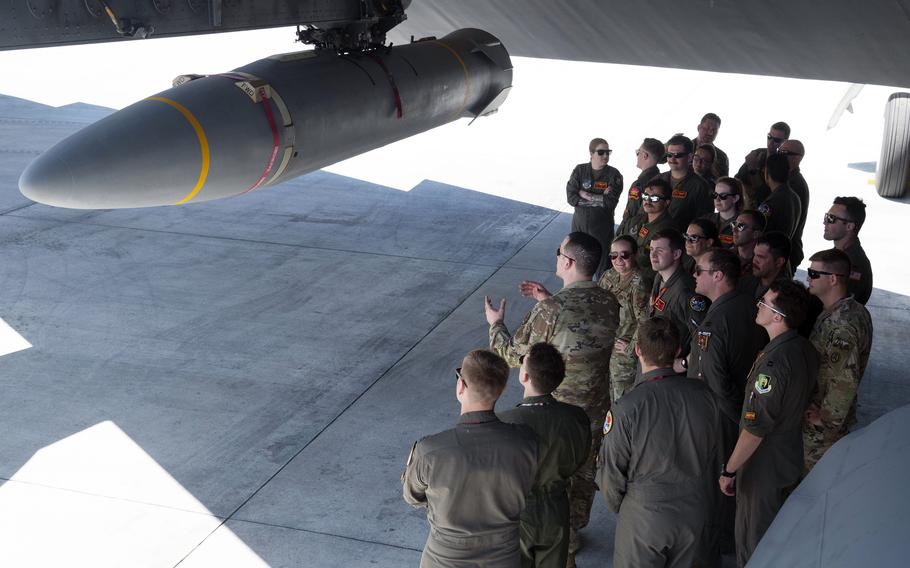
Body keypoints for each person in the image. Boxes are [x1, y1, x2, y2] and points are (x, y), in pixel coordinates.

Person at [487, 231, 619, 562]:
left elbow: (514, 355)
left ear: (568, 261)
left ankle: (555, 543)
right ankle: (573, 531)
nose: (557, 257)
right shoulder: (609, 301)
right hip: (594, 409)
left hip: (553, 410)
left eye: (558, 252)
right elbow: (579, 321)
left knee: (548, 475)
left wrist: (495, 324)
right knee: (584, 471)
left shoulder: (551, 310)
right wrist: (549, 300)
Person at [598, 316, 722, 568]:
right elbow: (712, 450)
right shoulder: (704, 395)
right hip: (694, 509)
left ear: (637, 350)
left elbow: (611, 475)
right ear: (677, 351)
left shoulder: (626, 408)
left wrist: (630, 509)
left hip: (645, 515)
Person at [402, 349, 539, 568]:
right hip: (503, 557)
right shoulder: (526, 442)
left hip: (445, 559)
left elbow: (412, 496)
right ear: (501, 390)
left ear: (461, 386)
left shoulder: (430, 451)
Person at [718, 280, 819, 567]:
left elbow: (755, 429)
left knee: (753, 544)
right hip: (787, 457)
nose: (758, 304)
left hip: (763, 468)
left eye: (764, 302)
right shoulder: (803, 349)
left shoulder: (773, 365)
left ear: (778, 317)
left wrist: (729, 469)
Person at [687, 247, 765, 557]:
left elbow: (713, 380)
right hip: (743, 409)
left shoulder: (714, 323)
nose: (694, 276)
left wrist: (737, 416)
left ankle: (712, 551)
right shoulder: (750, 306)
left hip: (719, 418)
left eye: (699, 271)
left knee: (713, 490)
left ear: (717, 276)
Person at [498, 342, 592, 568]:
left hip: (517, 514)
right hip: (556, 511)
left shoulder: (504, 422)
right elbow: (581, 460)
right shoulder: (576, 418)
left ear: (525, 377)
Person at [803, 248, 873, 472]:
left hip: (822, 433)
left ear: (833, 279)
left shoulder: (841, 324)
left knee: (809, 489)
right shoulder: (848, 310)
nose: (808, 278)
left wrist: (826, 421)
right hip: (825, 420)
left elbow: (845, 379)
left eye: (814, 274)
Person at [598, 236, 654, 401]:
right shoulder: (609, 276)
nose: (618, 260)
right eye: (613, 256)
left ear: (635, 255)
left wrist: (631, 348)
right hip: (605, 346)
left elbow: (645, 321)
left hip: (622, 357)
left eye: (624, 255)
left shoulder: (640, 283)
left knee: (621, 398)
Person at [566, 138, 624, 275]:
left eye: (608, 152)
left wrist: (584, 194)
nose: (605, 156)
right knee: (576, 267)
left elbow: (610, 202)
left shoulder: (614, 175)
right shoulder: (580, 170)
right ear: (591, 153)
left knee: (601, 271)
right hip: (579, 229)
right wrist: (600, 198)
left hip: (601, 233)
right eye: (601, 152)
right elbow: (571, 198)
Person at [646, 228, 698, 355]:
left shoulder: (685, 290)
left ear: (676, 254)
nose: (653, 255)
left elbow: (700, 333)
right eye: (651, 249)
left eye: (659, 251)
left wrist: (684, 363)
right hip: (656, 354)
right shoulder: (659, 276)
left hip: (672, 362)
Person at [617, 177, 676, 273]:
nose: (648, 201)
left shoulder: (667, 229)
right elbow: (619, 244)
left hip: (647, 277)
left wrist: (624, 253)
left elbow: (646, 257)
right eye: (645, 196)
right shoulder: (635, 221)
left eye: (655, 198)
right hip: (625, 271)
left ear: (666, 202)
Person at [823, 196, 873, 304]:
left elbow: (841, 306)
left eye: (831, 218)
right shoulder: (839, 254)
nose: (825, 222)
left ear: (849, 226)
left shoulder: (854, 265)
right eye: (826, 216)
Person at [659, 134, 714, 230]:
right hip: (653, 240)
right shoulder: (657, 180)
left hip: (682, 241)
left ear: (689, 157)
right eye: (669, 155)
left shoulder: (700, 186)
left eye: (678, 155)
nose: (672, 159)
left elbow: (703, 222)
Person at [736, 121, 790, 209]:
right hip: (746, 207)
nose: (771, 142)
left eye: (776, 140)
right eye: (769, 137)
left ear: (785, 141)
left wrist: (752, 169)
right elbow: (738, 179)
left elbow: (767, 194)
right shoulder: (758, 153)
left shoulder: (784, 163)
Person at [778, 140, 809, 269]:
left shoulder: (794, 184)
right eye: (779, 151)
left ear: (798, 158)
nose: (779, 156)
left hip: (784, 252)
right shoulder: (787, 180)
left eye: (784, 153)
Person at [757, 153, 801, 243]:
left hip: (769, 251)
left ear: (766, 173)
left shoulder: (770, 203)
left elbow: (757, 231)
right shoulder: (795, 197)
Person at [620, 137, 665, 224]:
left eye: (638, 152)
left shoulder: (641, 184)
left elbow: (632, 216)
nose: (637, 156)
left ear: (645, 155)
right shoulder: (661, 180)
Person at [749, 231, 792, 299]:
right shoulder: (746, 282)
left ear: (779, 262)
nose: (754, 260)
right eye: (754, 254)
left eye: (760, 257)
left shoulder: (786, 296)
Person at [703, 176, 743, 248]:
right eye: (715, 195)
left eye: (723, 196)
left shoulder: (743, 223)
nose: (717, 199)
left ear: (735, 198)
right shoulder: (706, 220)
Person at [732, 209, 766, 282]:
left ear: (756, 234)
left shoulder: (764, 264)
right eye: (734, 224)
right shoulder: (726, 256)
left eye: (741, 226)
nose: (734, 230)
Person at [692, 112, 729, 176]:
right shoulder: (683, 147)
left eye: (714, 130)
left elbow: (723, 182)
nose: (710, 133)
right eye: (707, 128)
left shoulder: (721, 157)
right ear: (699, 127)